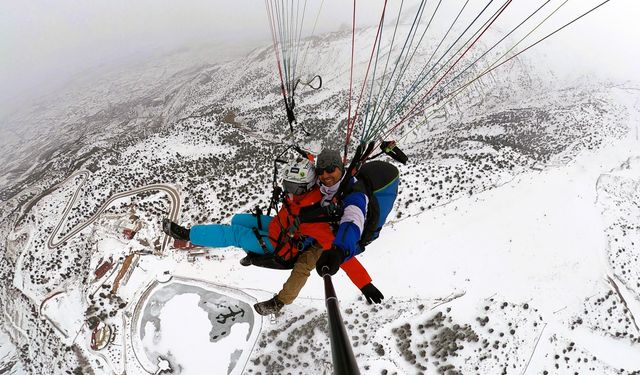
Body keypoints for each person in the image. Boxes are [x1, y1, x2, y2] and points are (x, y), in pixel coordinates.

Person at [163, 156, 334, 315]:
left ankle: (188, 235)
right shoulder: (309, 188)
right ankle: (252, 252)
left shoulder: (314, 217)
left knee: (234, 234)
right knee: (238, 220)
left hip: (280, 246)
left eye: (292, 187)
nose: (287, 191)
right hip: (279, 225)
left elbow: (314, 257)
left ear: (306, 186)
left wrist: (280, 301)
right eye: (286, 185)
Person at [311, 148, 400, 304]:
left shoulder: (355, 194)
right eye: (321, 171)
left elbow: (352, 220)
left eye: (331, 169)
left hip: (350, 238)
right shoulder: (326, 185)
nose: (325, 175)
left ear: (340, 168)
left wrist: (339, 251)